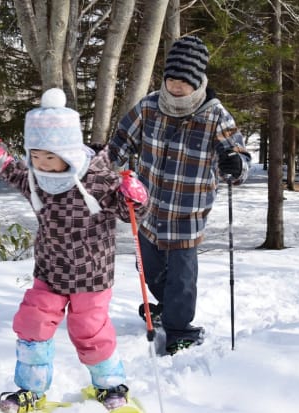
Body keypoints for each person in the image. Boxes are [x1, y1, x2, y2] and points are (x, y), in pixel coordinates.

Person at [0, 88, 149, 413]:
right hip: (50, 273)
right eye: (36, 156)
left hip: (91, 276)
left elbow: (130, 214)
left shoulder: (97, 180)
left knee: (90, 332)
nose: (42, 163)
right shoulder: (38, 180)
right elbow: (16, 173)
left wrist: (135, 197)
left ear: (68, 152)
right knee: (32, 324)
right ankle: (29, 390)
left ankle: (111, 385)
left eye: (49, 157)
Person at [107, 35, 251, 355]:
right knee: (148, 269)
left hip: (188, 215)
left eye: (182, 82)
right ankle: (166, 308)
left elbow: (241, 160)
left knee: (182, 281)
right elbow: (119, 145)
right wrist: (96, 163)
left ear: (197, 81)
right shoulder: (148, 107)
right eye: (170, 79)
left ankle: (178, 328)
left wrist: (234, 165)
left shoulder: (214, 116)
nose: (174, 87)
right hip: (148, 212)